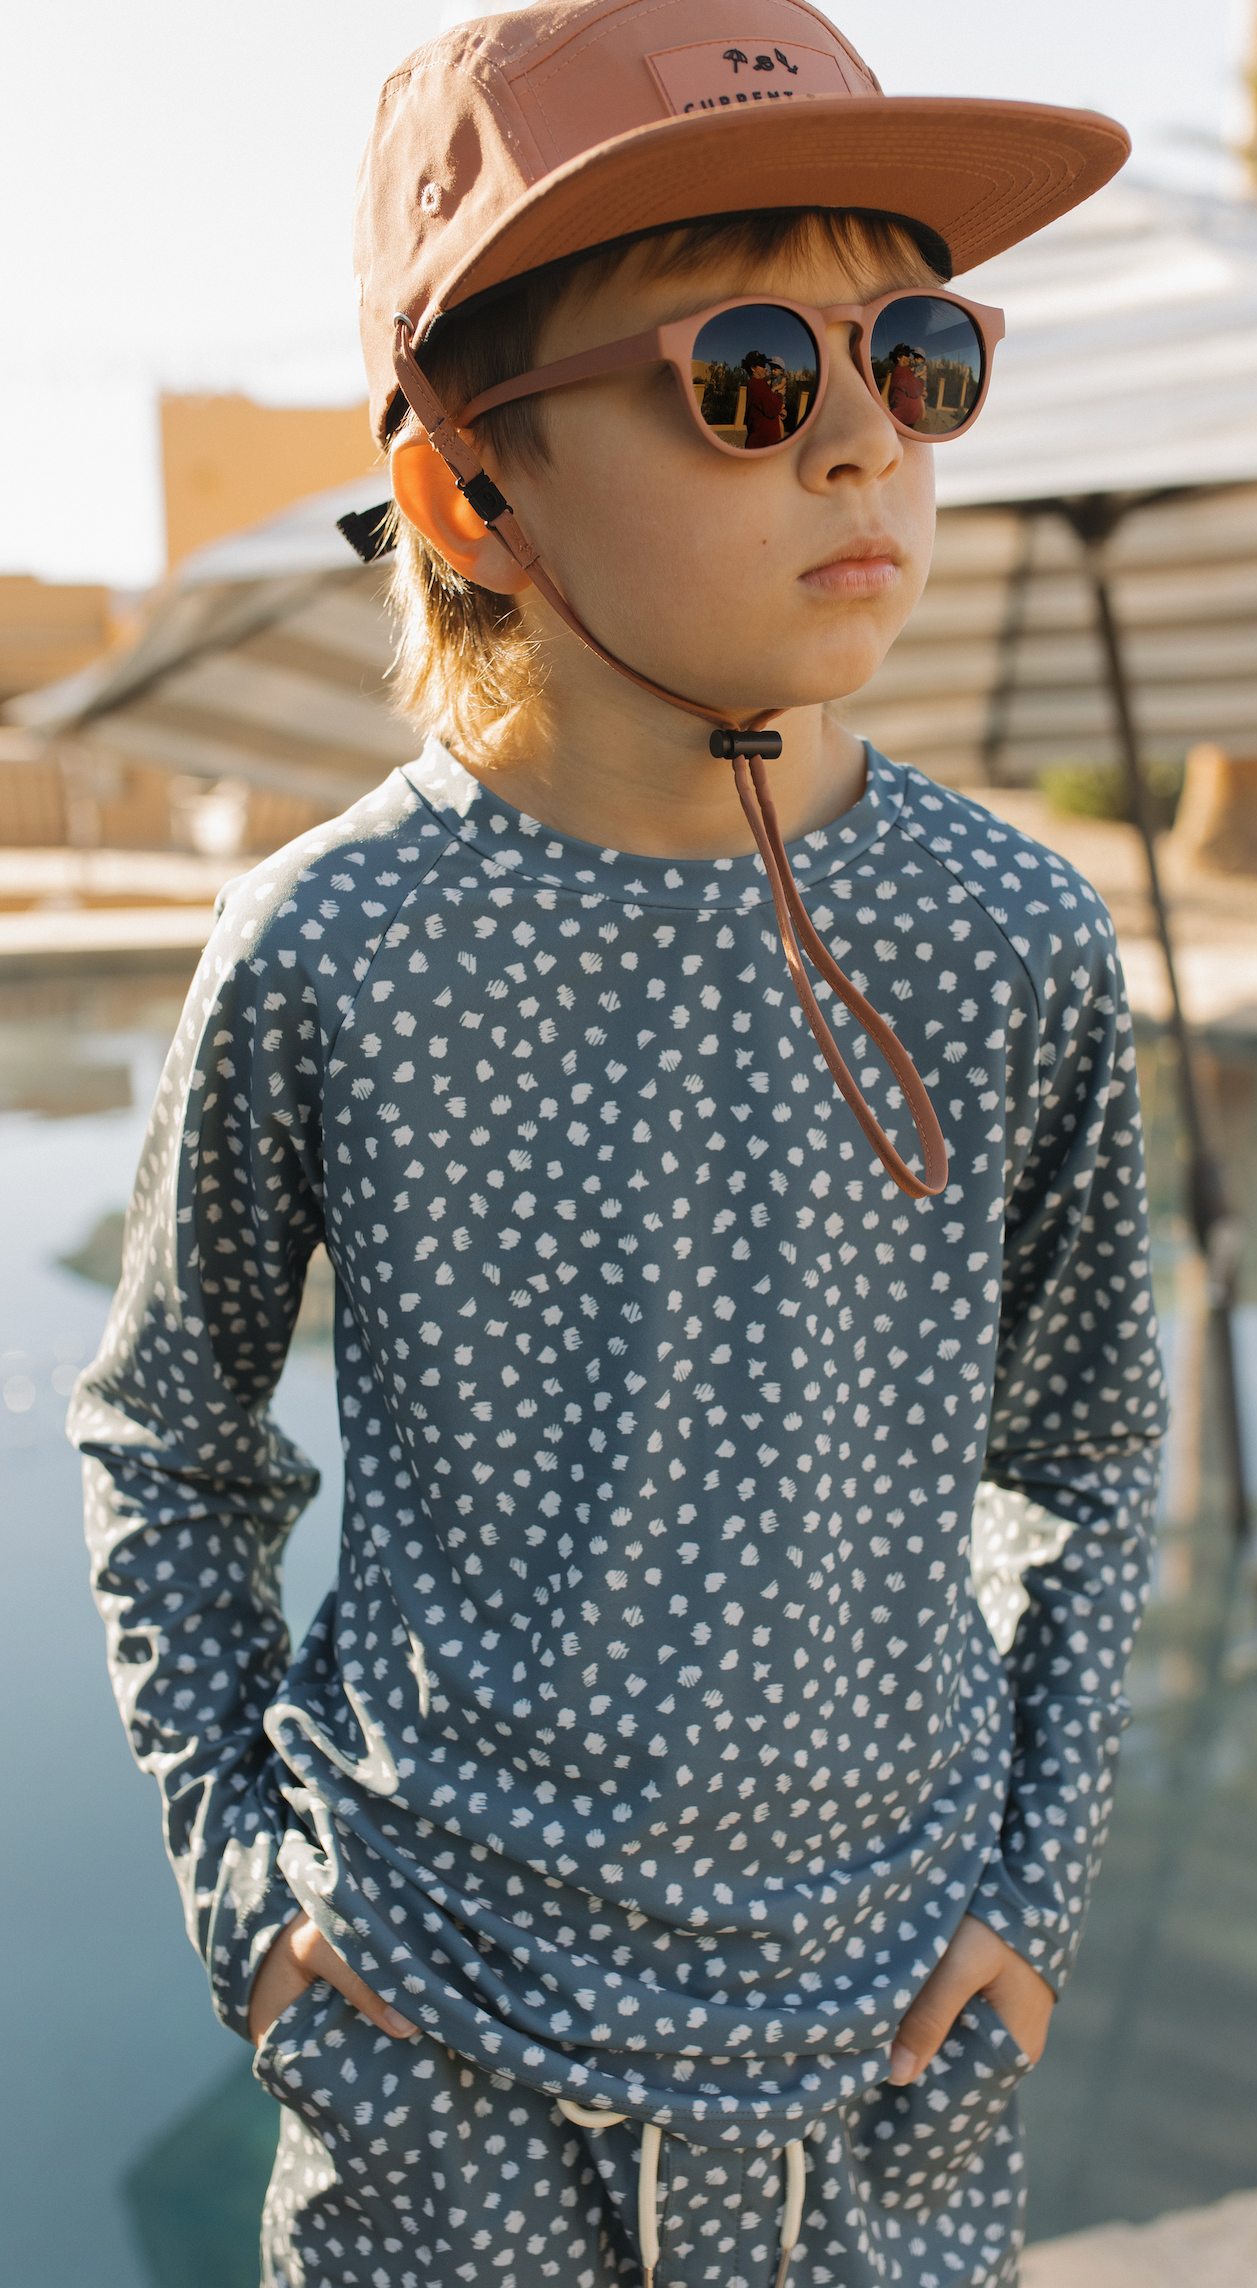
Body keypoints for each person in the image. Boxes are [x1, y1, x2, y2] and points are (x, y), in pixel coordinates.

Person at [73, 7, 1157, 2286]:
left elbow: (1076, 1444)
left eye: (920, 353)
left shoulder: (1006, 932)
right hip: (435, 2067)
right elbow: (168, 1432)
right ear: (475, 485)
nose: (865, 437)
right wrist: (252, 1906)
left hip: (883, 2060)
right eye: (749, 369)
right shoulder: (332, 949)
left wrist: (1024, 1892)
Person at [742, 348, 787, 448]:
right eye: (762, 365)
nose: (765, 368)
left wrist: (780, 410)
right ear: (753, 368)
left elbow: (766, 405)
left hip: (762, 443)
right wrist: (780, 395)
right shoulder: (758, 384)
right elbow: (772, 408)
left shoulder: (756, 384)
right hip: (761, 445)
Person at [887, 344, 928, 430]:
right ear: (899, 357)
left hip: (904, 418)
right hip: (904, 420)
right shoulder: (903, 371)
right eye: (907, 355)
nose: (910, 357)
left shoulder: (898, 371)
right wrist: (922, 380)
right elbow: (914, 390)